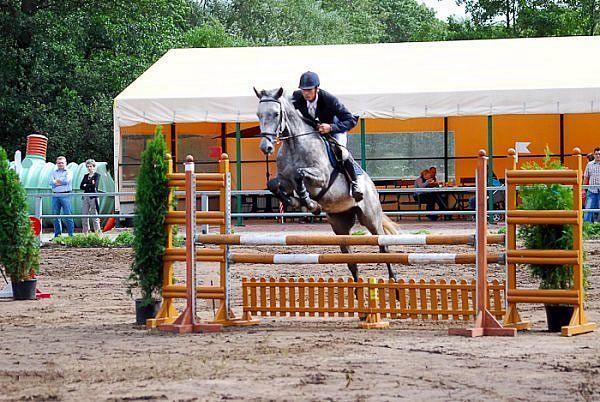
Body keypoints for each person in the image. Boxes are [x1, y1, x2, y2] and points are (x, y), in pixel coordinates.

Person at [291, 71, 363, 201]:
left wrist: (331, 127)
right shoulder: (297, 96)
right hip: (313, 131)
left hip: (335, 129)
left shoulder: (329, 99)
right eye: (303, 90)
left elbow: (350, 120)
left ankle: (355, 184)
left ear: (317, 88)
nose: (306, 93)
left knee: (342, 152)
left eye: (309, 90)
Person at [49, 156, 74, 237]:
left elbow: (67, 181)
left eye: (62, 163)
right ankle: (57, 236)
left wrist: (56, 182)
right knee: (55, 216)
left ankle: (71, 235)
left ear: (65, 163)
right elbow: (50, 182)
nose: (60, 164)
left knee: (68, 215)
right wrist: (60, 182)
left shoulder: (69, 171)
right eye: (59, 163)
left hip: (65, 195)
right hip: (55, 195)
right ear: (56, 163)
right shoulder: (53, 172)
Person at [80, 159, 101, 234]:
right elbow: (81, 186)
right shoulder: (85, 176)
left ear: (94, 167)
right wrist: (90, 185)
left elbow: (95, 186)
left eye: (91, 166)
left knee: (95, 216)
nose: (89, 168)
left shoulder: (97, 175)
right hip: (85, 197)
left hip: (93, 197)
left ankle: (97, 234)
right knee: (84, 216)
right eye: (88, 166)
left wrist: (87, 185)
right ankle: (85, 233)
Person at [584, 147, 600, 223]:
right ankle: (586, 228)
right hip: (591, 191)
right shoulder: (589, 164)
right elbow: (586, 177)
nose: (598, 156)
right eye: (596, 154)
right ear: (594, 155)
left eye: (599, 154)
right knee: (588, 209)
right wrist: (583, 189)